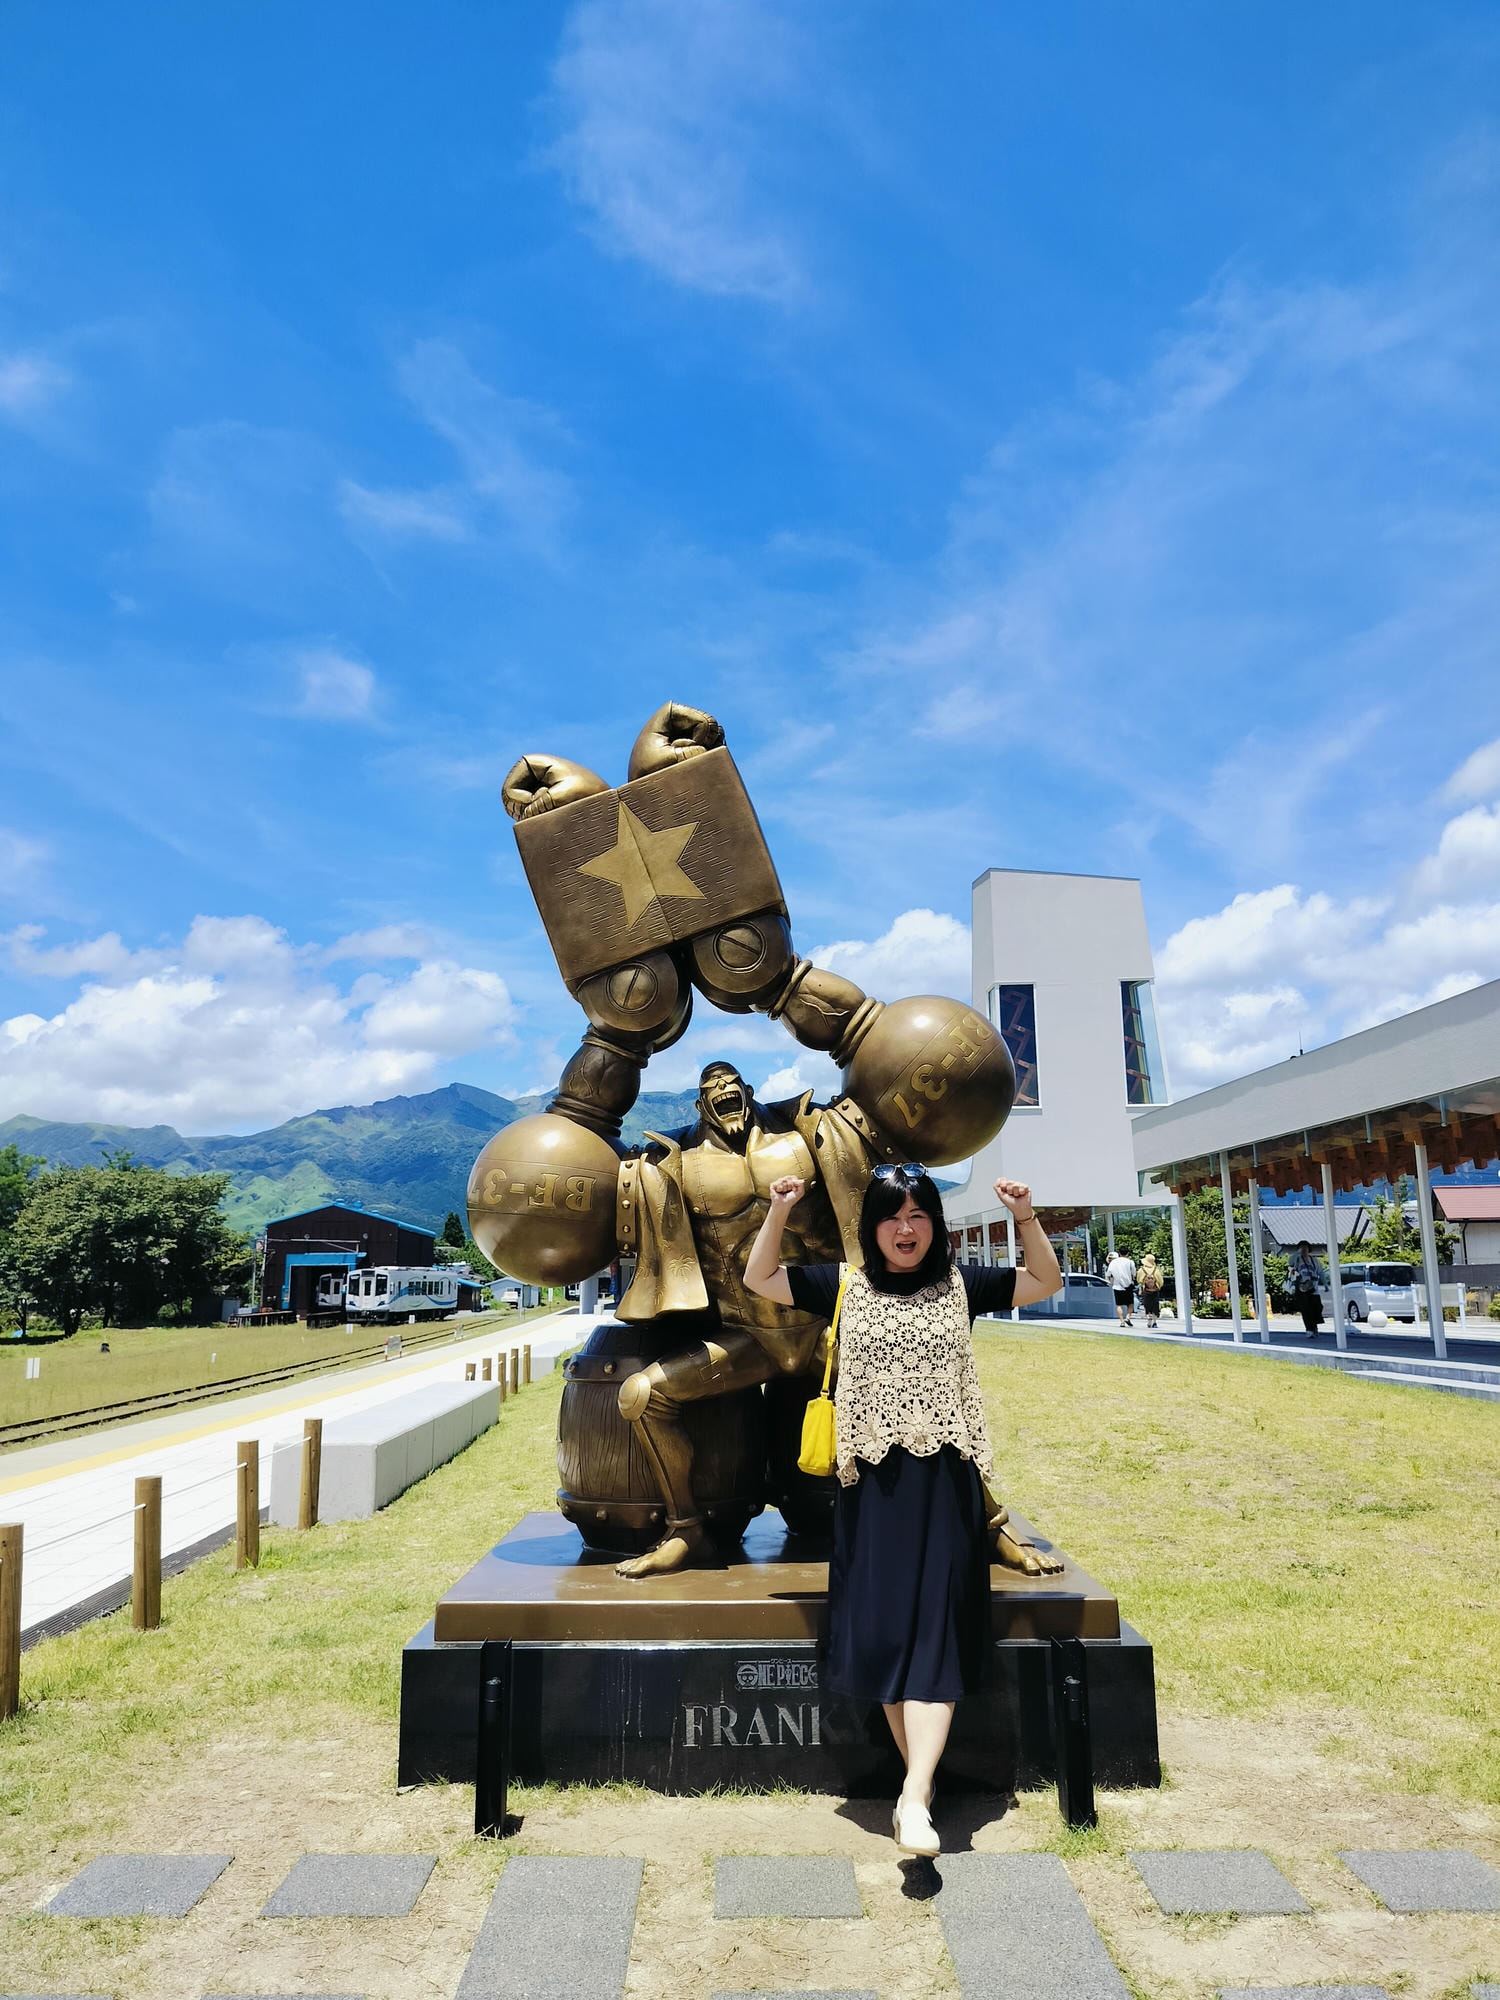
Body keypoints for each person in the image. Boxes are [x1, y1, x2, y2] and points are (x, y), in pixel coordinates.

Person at [744, 1163, 1063, 1860]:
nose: (907, 1228)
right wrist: (780, 1211)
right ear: (874, 1226)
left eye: (919, 1215)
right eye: (893, 1215)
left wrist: (1026, 1216)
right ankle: (918, 1791)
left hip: (946, 1491)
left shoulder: (961, 1285)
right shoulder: (845, 1285)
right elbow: (759, 1279)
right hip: (871, 1493)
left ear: (935, 1225)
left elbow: (1045, 1282)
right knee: (891, 1640)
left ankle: (915, 1795)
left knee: (934, 1639)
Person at [1286, 1241, 1322, 1337]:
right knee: (1306, 1309)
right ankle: (1309, 1329)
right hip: (1301, 1288)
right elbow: (1290, 1262)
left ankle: (1314, 1327)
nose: (1304, 1250)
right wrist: (1298, 1253)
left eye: (1305, 1248)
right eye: (1302, 1248)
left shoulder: (1314, 1260)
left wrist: (1325, 1284)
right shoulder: (1297, 1259)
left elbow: (1320, 1272)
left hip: (1313, 1287)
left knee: (1317, 1307)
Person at [1104, 1244, 1137, 1325]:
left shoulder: (1113, 1262)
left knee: (1119, 1305)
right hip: (1128, 1286)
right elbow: (1134, 1273)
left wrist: (1110, 1281)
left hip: (1117, 1286)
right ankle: (1128, 1317)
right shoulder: (1130, 1262)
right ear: (1127, 1253)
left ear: (1119, 1253)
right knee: (1130, 1304)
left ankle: (1122, 1321)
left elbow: (1108, 1274)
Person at [1136, 1250, 1163, 1329]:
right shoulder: (1156, 1270)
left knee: (1147, 1306)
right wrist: (1157, 1286)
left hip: (1146, 1290)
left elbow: (1139, 1280)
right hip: (1155, 1291)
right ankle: (1154, 1322)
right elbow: (1160, 1281)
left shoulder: (1142, 1270)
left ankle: (1149, 1321)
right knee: (1155, 1306)